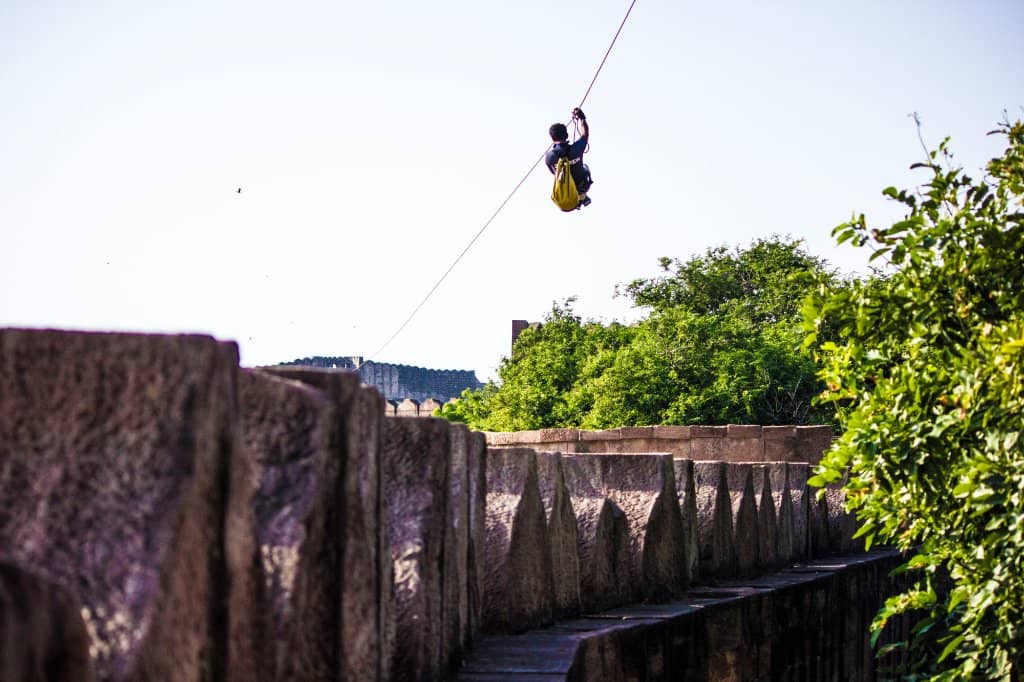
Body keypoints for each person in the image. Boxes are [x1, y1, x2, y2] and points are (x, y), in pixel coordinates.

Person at [545, 107, 592, 208]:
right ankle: (581, 196)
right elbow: (585, 134)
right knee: (585, 167)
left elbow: (554, 172)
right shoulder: (577, 149)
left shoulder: (549, 157)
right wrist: (582, 118)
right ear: (567, 135)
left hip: (565, 190)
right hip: (582, 186)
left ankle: (578, 196)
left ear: (552, 138)